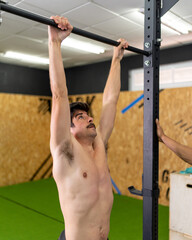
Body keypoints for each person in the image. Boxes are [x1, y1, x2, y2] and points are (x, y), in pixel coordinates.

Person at [48, 15, 128, 240]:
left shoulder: (99, 144)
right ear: (69, 129)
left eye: (88, 115)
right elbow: (59, 94)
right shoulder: (65, 152)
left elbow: (110, 100)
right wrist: (55, 42)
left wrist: (116, 59)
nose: (90, 118)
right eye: (80, 117)